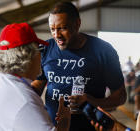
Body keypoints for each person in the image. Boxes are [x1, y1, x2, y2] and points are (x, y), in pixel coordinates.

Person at [31, 2, 127, 131]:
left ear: (77, 24)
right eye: (52, 29)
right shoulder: (46, 49)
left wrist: (92, 101)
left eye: (62, 28)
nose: (56, 35)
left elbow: (120, 96)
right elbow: (38, 85)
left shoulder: (103, 51)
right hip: (54, 127)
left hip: (89, 127)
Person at [0, 23, 71, 131]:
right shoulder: (25, 102)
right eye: (39, 51)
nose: (41, 57)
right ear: (28, 55)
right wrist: (64, 122)